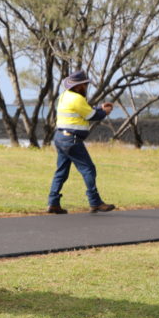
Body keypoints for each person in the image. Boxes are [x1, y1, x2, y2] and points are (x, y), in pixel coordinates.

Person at [46, 70, 116, 214]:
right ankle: (95, 202)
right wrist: (105, 111)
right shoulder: (77, 98)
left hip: (60, 137)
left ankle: (53, 203)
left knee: (61, 171)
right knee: (88, 169)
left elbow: (84, 111)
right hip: (71, 140)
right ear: (78, 86)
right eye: (85, 85)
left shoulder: (65, 95)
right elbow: (91, 116)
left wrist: (100, 108)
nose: (86, 87)